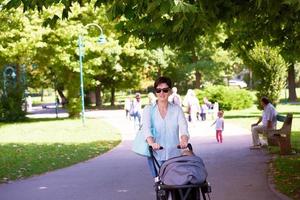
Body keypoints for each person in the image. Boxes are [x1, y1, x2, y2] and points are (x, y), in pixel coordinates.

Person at [141, 77, 189, 177]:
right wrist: (152, 143)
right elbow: (146, 129)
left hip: (174, 154)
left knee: (177, 184)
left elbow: (184, 128)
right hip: (156, 154)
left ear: (170, 91)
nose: (162, 93)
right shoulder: (149, 109)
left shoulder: (177, 110)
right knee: (161, 186)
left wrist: (184, 141)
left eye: (165, 90)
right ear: (155, 92)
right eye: (158, 90)